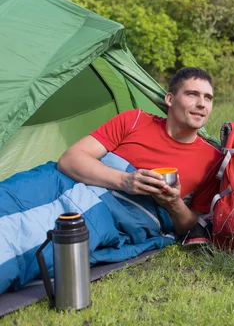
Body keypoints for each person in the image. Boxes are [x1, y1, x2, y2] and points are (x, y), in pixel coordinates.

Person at [57, 67, 222, 236]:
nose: (202, 104)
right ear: (170, 99)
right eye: (192, 94)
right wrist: (125, 180)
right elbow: (69, 160)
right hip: (74, 190)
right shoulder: (134, 121)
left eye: (208, 98)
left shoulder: (213, 160)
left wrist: (173, 203)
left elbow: (195, 230)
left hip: (105, 216)